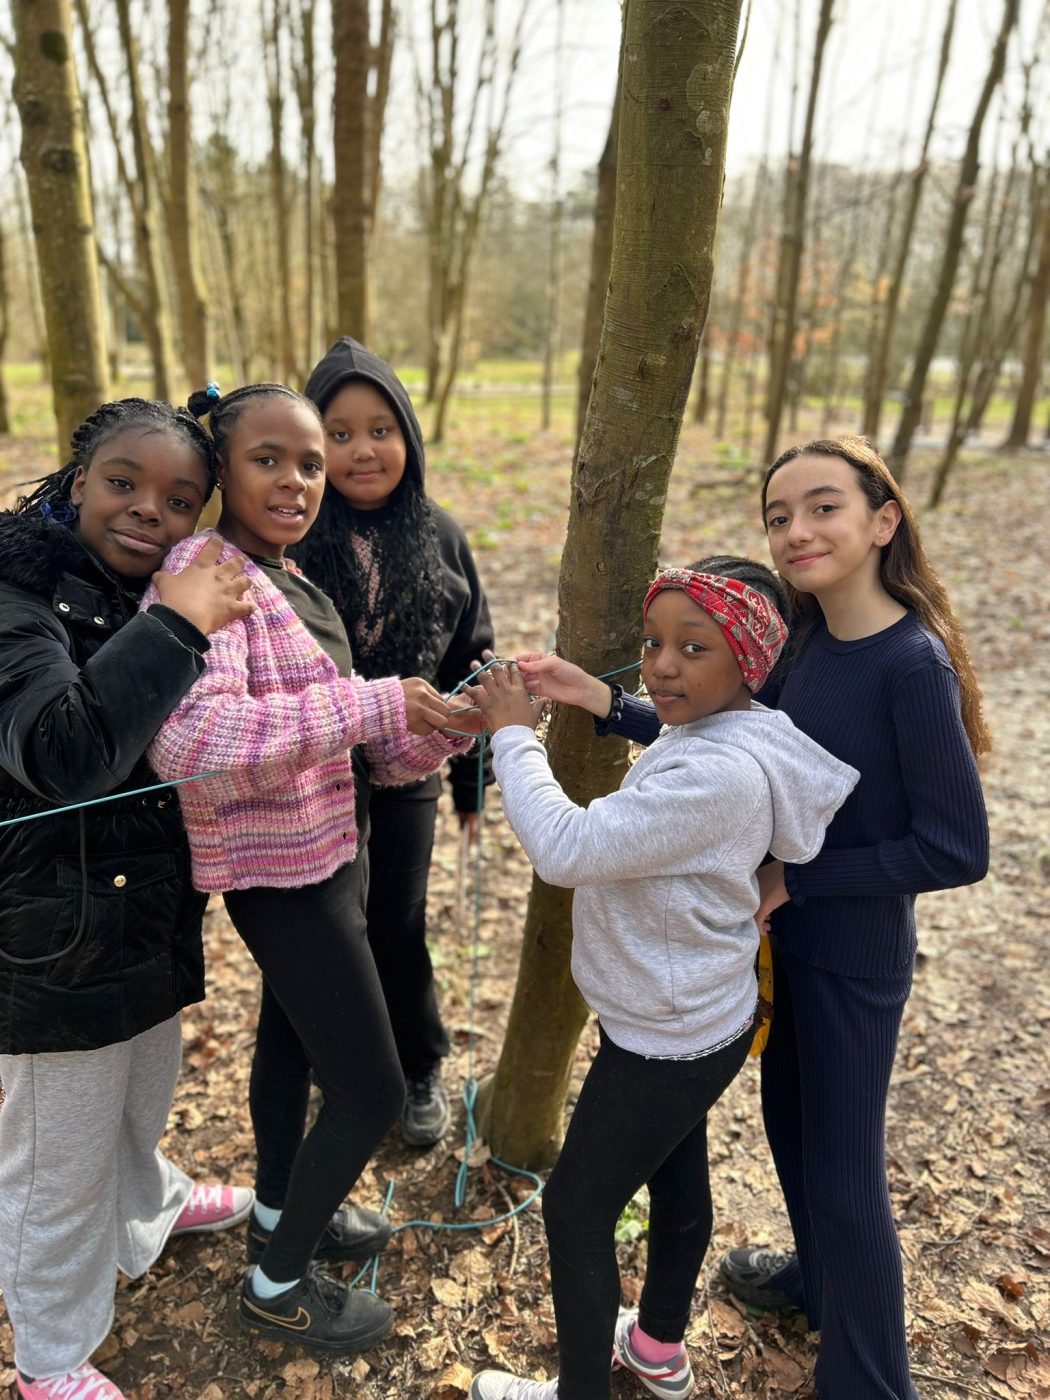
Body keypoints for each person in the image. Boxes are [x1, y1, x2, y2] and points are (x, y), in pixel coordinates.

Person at [526, 439, 991, 1400]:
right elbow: (733, 738)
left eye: (823, 507)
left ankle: (870, 1380)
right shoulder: (806, 640)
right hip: (770, 943)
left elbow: (956, 849)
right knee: (792, 1131)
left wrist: (801, 878)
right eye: (779, 516)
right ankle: (819, 1283)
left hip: (851, 957)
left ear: (884, 520)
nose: (796, 532)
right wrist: (605, 701)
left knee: (845, 1175)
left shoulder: (911, 664)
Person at [141, 382, 483, 1355]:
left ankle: (281, 1214)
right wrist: (378, 702)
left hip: (335, 854)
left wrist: (454, 722)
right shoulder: (204, 571)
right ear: (221, 468)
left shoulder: (289, 577)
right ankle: (278, 1284)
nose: (296, 480)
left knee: (288, 1047)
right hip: (281, 881)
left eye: (309, 464)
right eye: (269, 460)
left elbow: (362, 746)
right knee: (372, 1090)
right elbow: (195, 742)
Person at [464, 561, 859, 1400]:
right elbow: (681, 730)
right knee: (677, 1183)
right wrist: (593, 695)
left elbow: (567, 848)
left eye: (693, 647)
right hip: (701, 1014)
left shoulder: (717, 776)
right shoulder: (741, 729)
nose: (663, 666)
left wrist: (513, 735)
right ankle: (656, 1348)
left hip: (664, 1037)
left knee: (575, 1212)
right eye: (652, 643)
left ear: (750, 662)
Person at [0, 399, 257, 1400]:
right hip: (50, 940)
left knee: (142, 1092)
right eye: (123, 483)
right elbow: (63, 750)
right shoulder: (17, 595)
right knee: (54, 1160)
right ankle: (50, 1355)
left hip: (140, 915)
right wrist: (180, 621)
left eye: (179, 499)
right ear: (77, 481)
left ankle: (146, 1206)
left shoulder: (140, 586)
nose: (149, 509)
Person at [295, 337, 495, 1147]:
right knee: (331, 931)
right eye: (338, 433)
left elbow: (473, 662)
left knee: (396, 923)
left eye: (380, 430)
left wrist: (472, 785)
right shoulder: (294, 535)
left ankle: (419, 1066)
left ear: (407, 435)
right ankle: (345, 1071)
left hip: (412, 770)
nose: (361, 450)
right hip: (314, 775)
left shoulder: (440, 536)